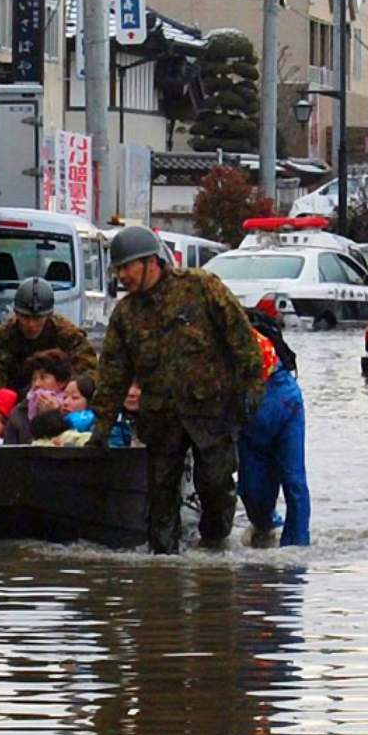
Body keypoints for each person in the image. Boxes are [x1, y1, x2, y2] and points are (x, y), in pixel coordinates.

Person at [90, 226, 263, 554]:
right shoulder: (125, 315)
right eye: (119, 269)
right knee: (160, 496)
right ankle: (163, 570)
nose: (122, 275)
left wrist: (251, 386)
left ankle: (213, 547)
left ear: (150, 262)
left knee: (215, 484)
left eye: (127, 267)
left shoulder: (201, 288)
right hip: (161, 418)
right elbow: (113, 374)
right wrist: (102, 425)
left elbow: (241, 338)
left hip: (210, 411)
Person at [237, 308, 310, 548]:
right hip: (260, 415)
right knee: (253, 490)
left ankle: (297, 546)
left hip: (282, 406)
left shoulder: (249, 343)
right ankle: (266, 527)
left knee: (294, 481)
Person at [0, 277, 97, 395]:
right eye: (25, 317)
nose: (31, 324)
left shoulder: (69, 336)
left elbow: (87, 373)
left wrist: (62, 393)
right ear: (16, 314)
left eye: (37, 318)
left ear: (49, 315)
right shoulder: (1, 338)